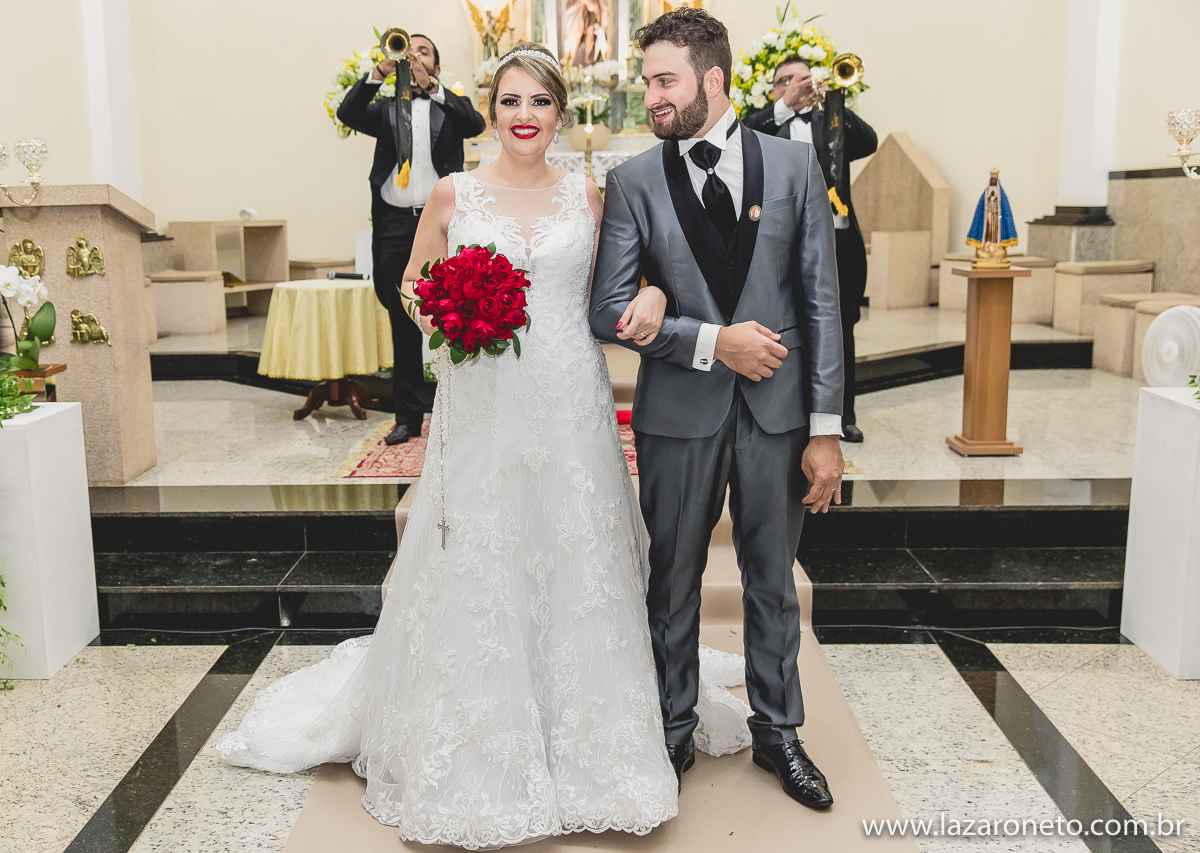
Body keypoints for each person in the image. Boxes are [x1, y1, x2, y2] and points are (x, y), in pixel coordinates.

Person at [217, 43, 707, 848]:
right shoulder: (453, 192)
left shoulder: (589, 195)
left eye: (539, 104)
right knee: (484, 549)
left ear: (560, 113)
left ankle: (590, 742)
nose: (524, 117)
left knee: (573, 546)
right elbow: (411, 284)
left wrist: (654, 291)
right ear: (492, 108)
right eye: (510, 101)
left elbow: (637, 281)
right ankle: (478, 734)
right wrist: (447, 316)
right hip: (482, 395)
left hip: (567, 399)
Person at [589, 8, 843, 808]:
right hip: (678, 415)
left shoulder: (795, 168)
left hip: (780, 416)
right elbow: (607, 309)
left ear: (714, 79)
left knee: (772, 577)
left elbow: (823, 305)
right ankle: (670, 725)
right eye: (647, 82)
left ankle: (779, 731)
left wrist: (827, 430)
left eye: (664, 82)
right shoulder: (631, 181)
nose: (651, 98)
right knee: (674, 578)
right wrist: (710, 341)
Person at [337, 34, 486, 445]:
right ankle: (408, 416)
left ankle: (462, 409)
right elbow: (347, 112)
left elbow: (476, 124)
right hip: (396, 224)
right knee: (402, 319)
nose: (414, 55)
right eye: (409, 50)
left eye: (424, 52)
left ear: (436, 67)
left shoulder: (448, 107)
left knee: (459, 313)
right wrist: (380, 71)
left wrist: (435, 89)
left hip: (444, 224)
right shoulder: (385, 110)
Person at [745, 56, 877, 442]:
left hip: (838, 243)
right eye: (786, 80)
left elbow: (868, 141)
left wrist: (832, 97)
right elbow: (745, 131)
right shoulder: (764, 126)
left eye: (804, 79)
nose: (798, 85)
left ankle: (843, 415)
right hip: (780, 247)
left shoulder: (830, 119)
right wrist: (786, 104)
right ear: (773, 89)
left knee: (840, 326)